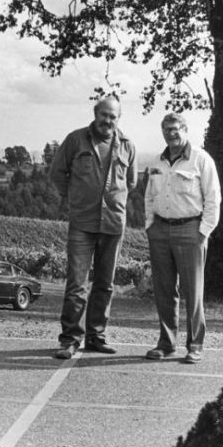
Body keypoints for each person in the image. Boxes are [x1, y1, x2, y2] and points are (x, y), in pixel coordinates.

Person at [49, 96, 137, 359]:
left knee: (105, 284)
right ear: (95, 114)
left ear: (118, 119)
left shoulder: (128, 146)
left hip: (112, 224)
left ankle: (96, 337)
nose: (108, 120)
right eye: (104, 115)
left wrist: (113, 203)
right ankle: (70, 339)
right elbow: (57, 174)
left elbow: (130, 183)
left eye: (113, 116)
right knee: (77, 284)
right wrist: (75, 198)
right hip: (82, 223)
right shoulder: (75, 140)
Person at [144, 112, 221, 364]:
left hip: (190, 231)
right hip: (160, 232)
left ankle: (195, 345)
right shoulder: (157, 161)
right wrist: (149, 225)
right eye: (166, 129)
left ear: (186, 130)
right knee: (164, 290)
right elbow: (148, 196)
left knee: (192, 291)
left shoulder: (201, 159)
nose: (171, 133)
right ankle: (166, 344)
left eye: (175, 129)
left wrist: (203, 232)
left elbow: (213, 198)